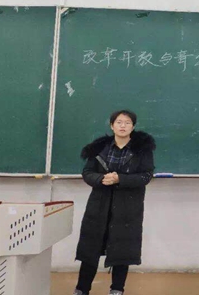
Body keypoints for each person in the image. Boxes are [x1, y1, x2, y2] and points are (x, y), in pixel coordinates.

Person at [73, 110, 155, 295]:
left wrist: (120, 179)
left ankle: (117, 289)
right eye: (119, 122)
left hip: (127, 208)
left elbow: (146, 176)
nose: (123, 125)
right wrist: (101, 179)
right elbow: (87, 173)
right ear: (112, 125)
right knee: (90, 249)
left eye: (127, 122)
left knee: (121, 250)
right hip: (99, 206)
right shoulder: (99, 148)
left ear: (133, 126)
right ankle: (81, 289)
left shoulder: (142, 149)